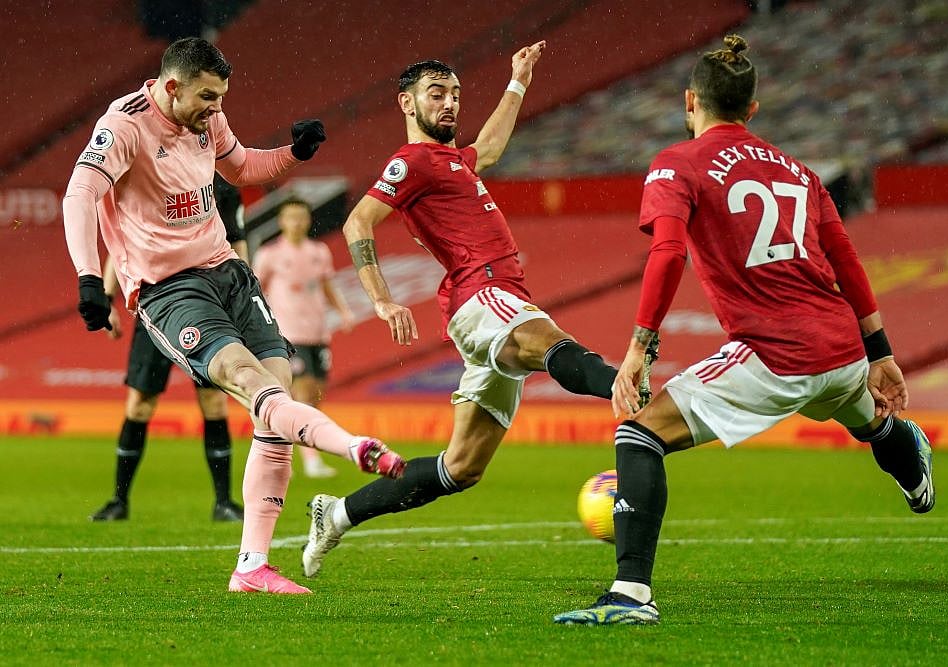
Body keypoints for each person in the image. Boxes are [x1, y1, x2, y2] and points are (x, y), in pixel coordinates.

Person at [553, 35, 935, 626]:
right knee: (869, 420)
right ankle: (907, 455)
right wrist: (880, 352)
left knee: (638, 432)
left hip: (775, 356)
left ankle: (630, 595)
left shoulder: (677, 163)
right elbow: (846, 260)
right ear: (752, 108)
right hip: (841, 351)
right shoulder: (800, 172)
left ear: (690, 101)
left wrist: (638, 348)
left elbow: (668, 252)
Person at [63, 37, 406, 595]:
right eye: (207, 97)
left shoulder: (207, 117)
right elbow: (79, 195)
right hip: (170, 289)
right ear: (171, 87)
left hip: (228, 271)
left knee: (277, 399)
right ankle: (355, 447)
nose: (216, 109)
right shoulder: (124, 126)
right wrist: (87, 277)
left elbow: (243, 167)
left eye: (221, 98)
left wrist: (294, 153)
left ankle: (252, 566)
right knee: (249, 383)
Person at [301, 41, 627, 578]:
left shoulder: (453, 161)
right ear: (407, 103)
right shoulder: (411, 162)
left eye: (455, 94)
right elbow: (358, 222)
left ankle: (337, 514)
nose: (449, 103)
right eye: (436, 94)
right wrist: (381, 298)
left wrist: (518, 81)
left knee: (461, 468)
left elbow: (490, 148)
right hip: (482, 293)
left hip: (496, 300)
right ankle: (631, 390)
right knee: (543, 342)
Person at [90, 174, 246, 522]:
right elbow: (122, 242)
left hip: (207, 306)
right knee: (140, 404)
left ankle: (223, 502)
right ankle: (119, 501)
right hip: (156, 305)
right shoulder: (151, 176)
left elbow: (237, 242)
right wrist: (107, 298)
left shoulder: (222, 185)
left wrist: (241, 297)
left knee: (213, 401)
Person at [252, 198, 357, 478]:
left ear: (308, 219)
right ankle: (310, 460)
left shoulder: (319, 251)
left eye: (301, 217)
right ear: (281, 221)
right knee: (303, 392)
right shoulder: (269, 254)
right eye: (291, 217)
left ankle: (295, 447)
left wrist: (343, 311)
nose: (297, 223)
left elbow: (326, 285)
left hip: (318, 332)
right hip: (288, 333)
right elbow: (255, 290)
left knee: (317, 393)